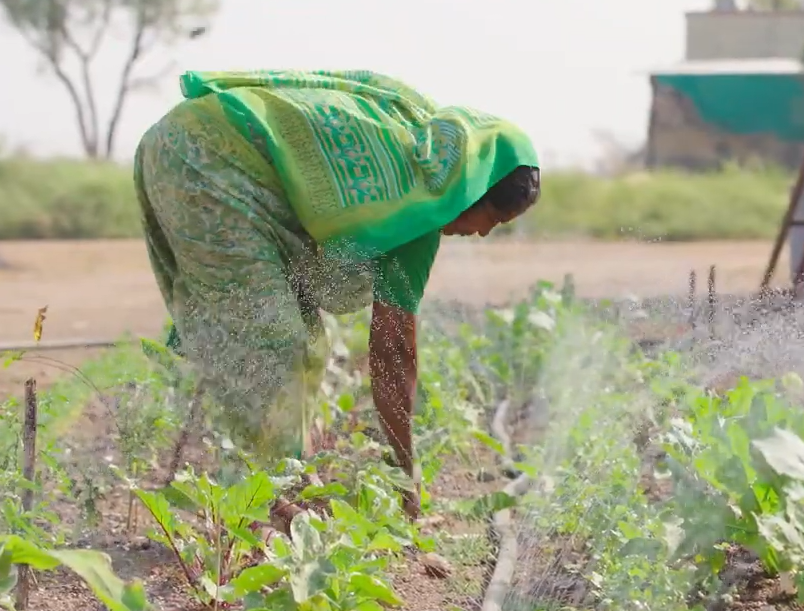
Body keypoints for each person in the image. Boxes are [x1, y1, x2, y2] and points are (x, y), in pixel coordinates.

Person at [133, 69, 541, 519]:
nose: (482, 234)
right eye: (491, 220)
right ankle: (256, 507)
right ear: (472, 190)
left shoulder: (417, 151)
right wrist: (407, 479)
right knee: (270, 338)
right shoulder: (415, 203)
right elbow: (393, 355)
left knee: (303, 345)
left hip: (208, 150)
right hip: (205, 157)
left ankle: (285, 483)